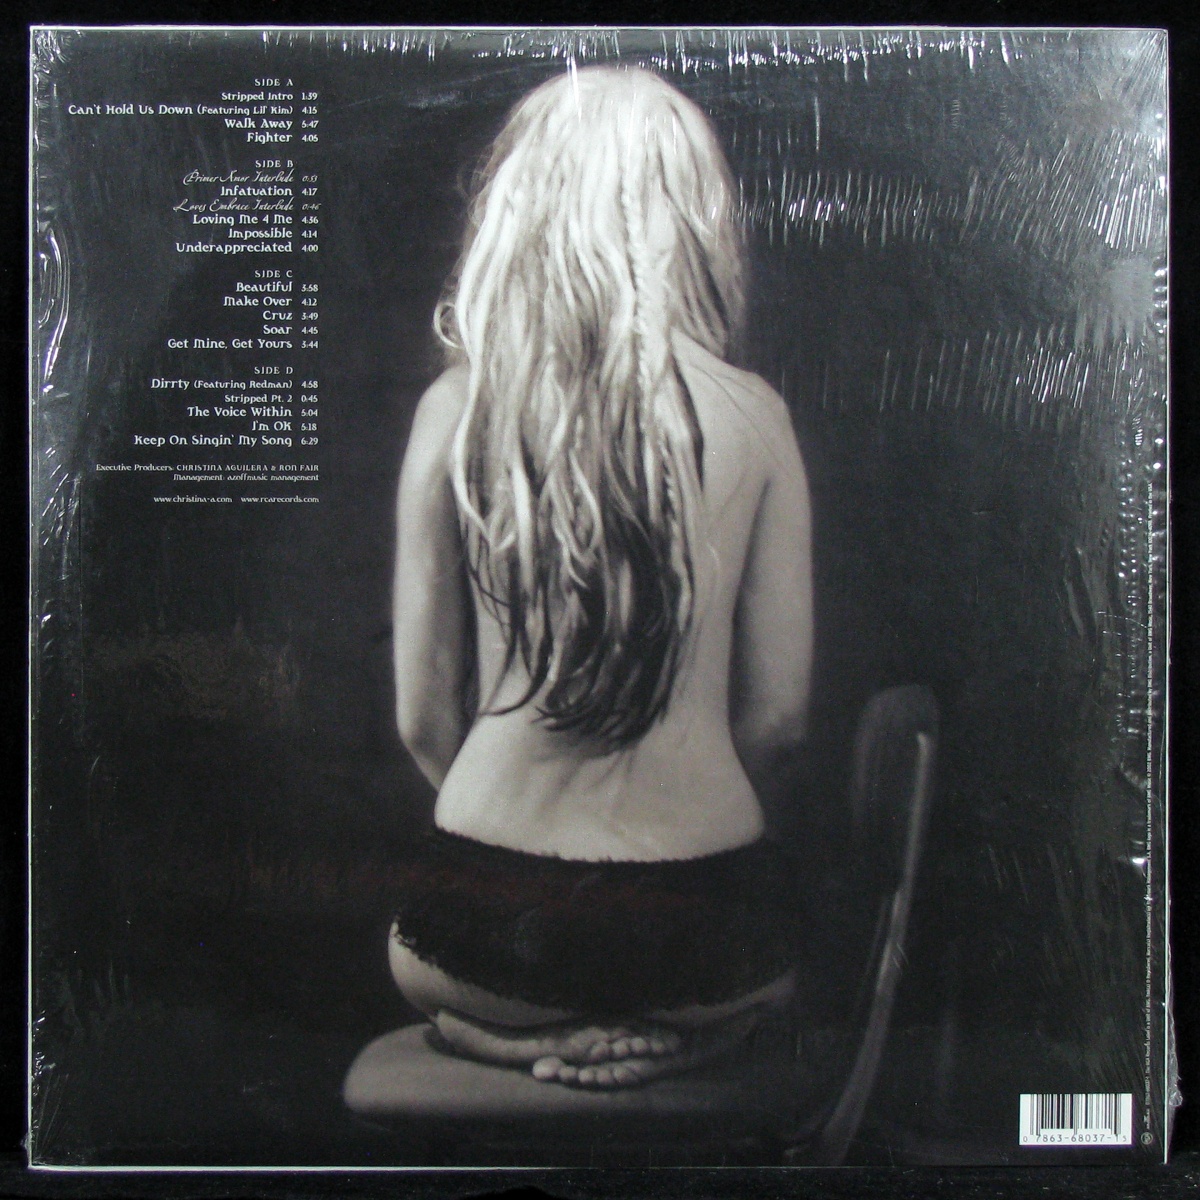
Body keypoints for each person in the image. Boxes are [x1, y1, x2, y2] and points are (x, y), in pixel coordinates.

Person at [389, 65, 813, 1089]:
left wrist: (513, 847)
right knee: (766, 990)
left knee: (426, 973)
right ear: (693, 217)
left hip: (494, 933)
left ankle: (502, 1036)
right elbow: (780, 719)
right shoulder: (757, 416)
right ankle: (682, 1041)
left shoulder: (456, 409)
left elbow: (422, 720)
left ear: (524, 206)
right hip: (700, 936)